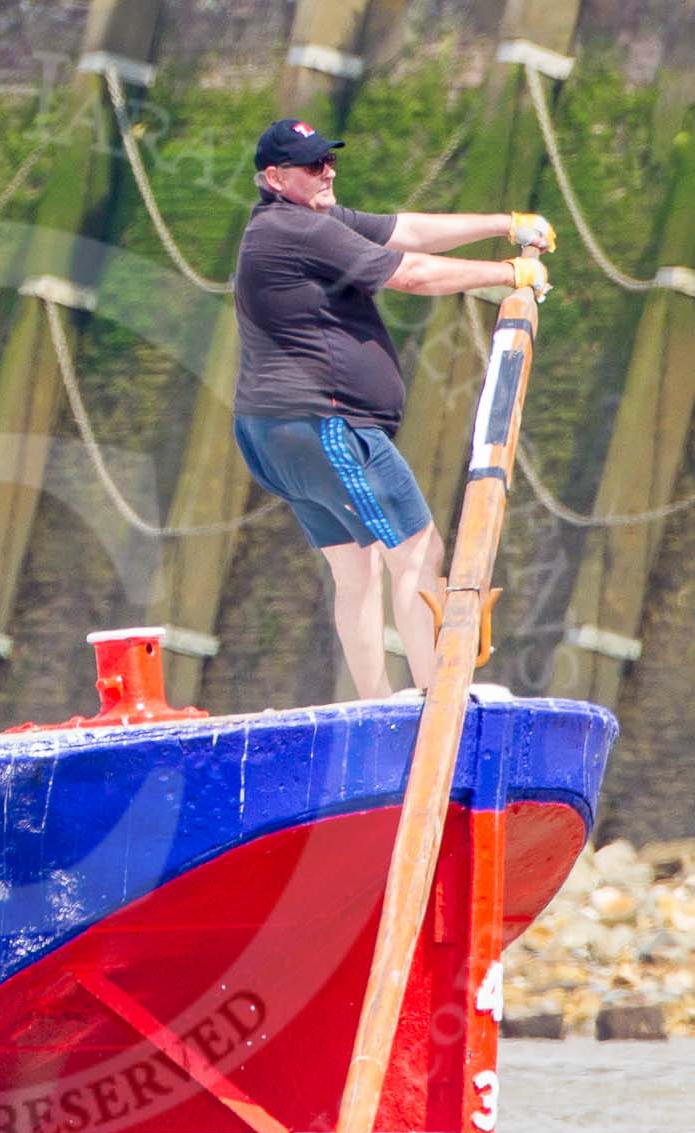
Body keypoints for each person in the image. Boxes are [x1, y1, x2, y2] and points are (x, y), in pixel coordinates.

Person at [232, 117, 554, 701]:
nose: (327, 171)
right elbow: (411, 273)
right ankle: (439, 700)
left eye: (328, 160)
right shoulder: (296, 230)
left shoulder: (306, 221)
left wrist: (506, 225)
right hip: (326, 424)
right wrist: (508, 273)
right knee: (418, 552)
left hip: (275, 433)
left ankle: (376, 707)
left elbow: (406, 231)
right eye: (311, 166)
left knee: (357, 571)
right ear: (274, 178)